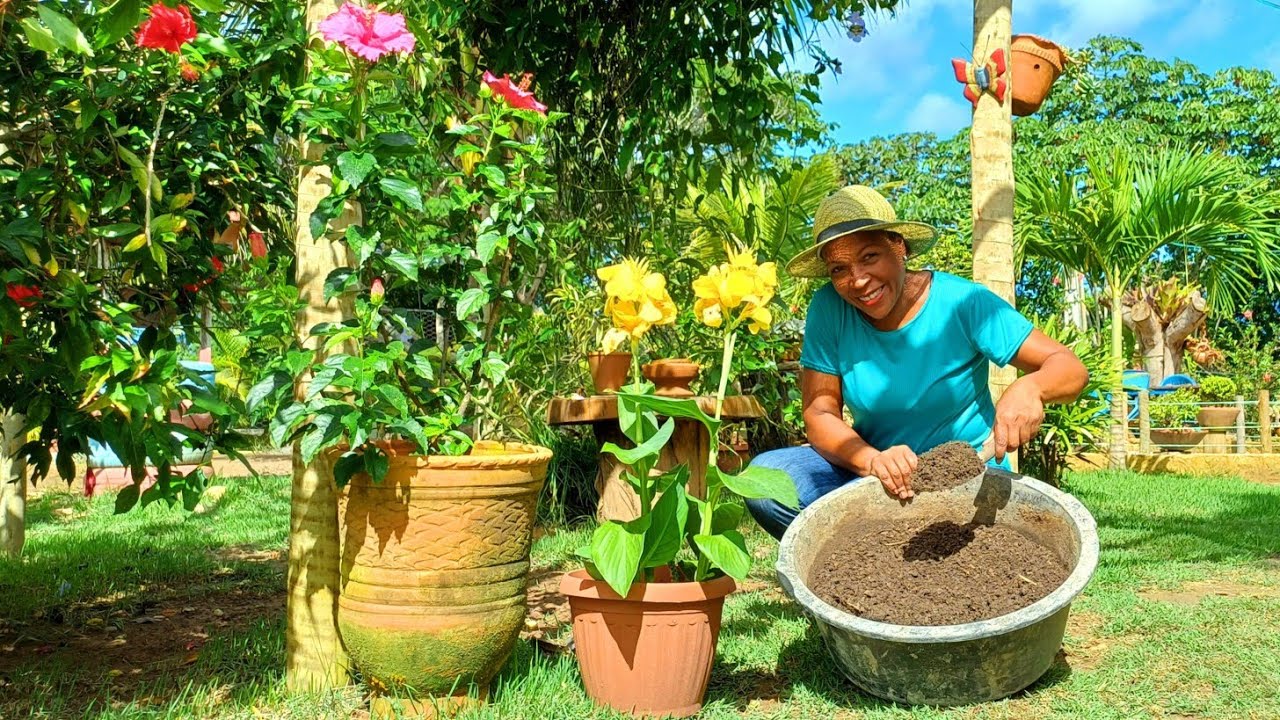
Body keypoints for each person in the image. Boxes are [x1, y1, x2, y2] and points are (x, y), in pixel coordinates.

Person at [744, 185, 1089, 540]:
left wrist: (1029, 387)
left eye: (869, 257)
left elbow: (1069, 367)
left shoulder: (964, 303)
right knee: (771, 479)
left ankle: (898, 556)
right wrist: (873, 461)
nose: (858, 280)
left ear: (900, 247)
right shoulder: (830, 308)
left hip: (965, 480)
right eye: (838, 268)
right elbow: (820, 413)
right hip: (875, 476)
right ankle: (875, 560)